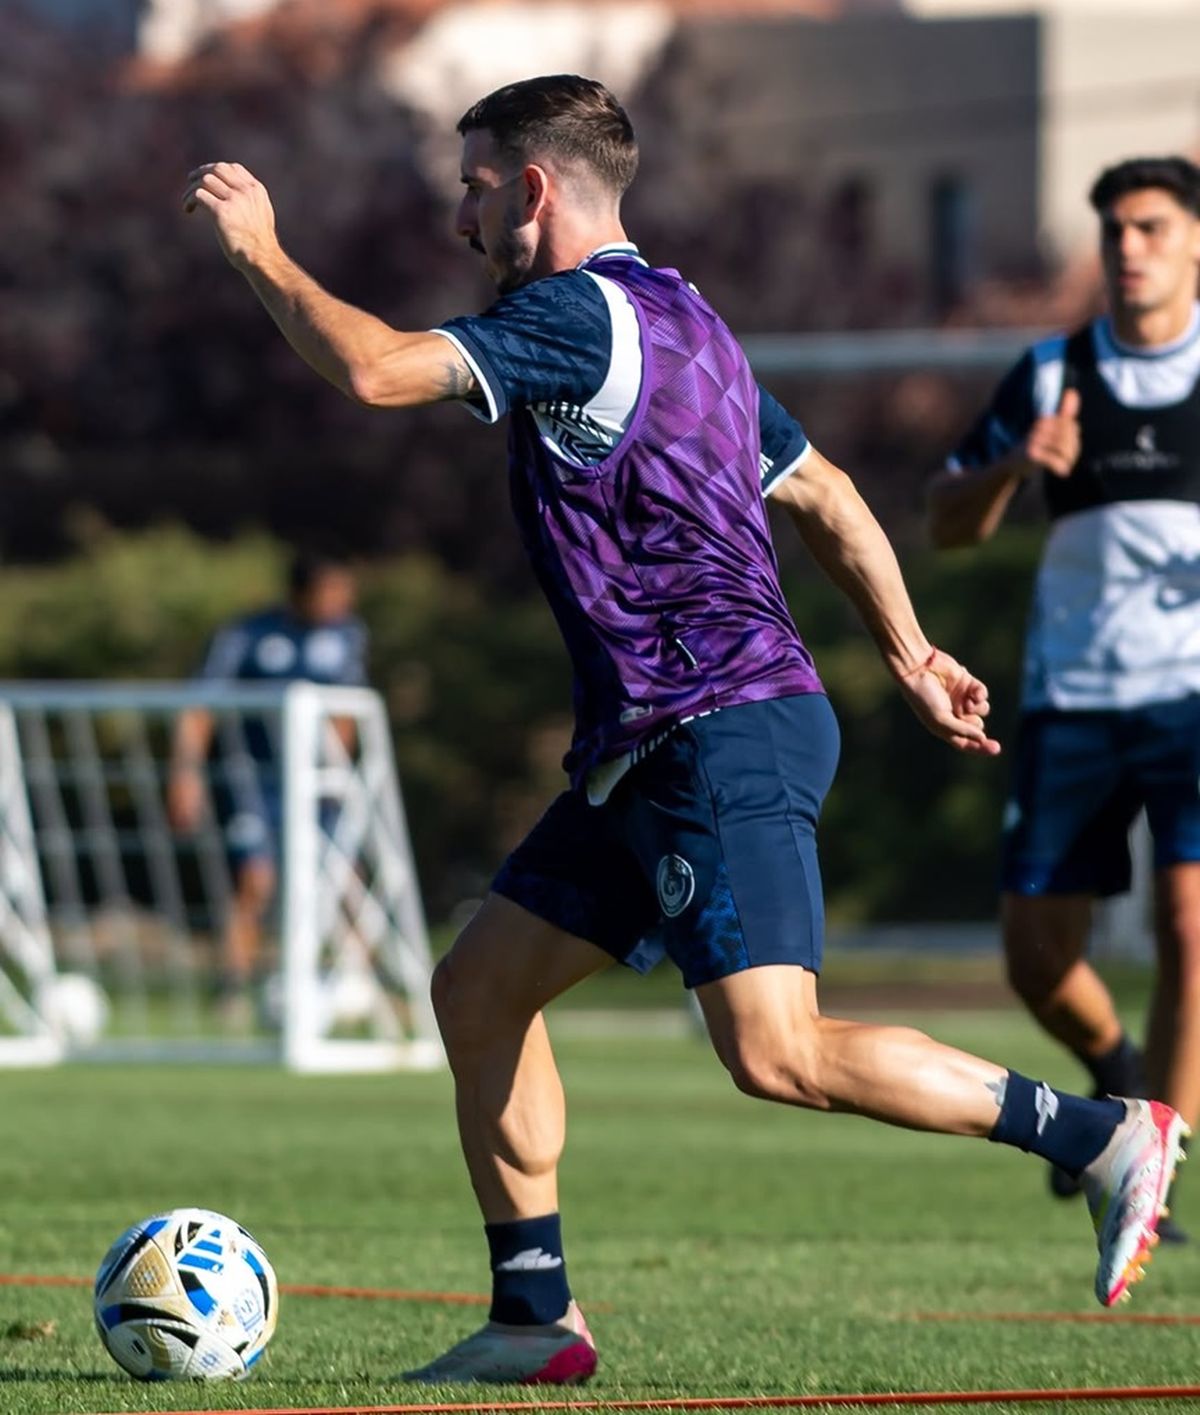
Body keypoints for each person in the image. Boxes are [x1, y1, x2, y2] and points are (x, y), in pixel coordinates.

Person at [183, 79, 1185, 1383]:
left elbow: (374, 366)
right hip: (656, 738)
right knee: (478, 987)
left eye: (477, 184)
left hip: (715, 720)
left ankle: (1100, 1132)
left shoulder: (568, 316)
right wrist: (911, 650)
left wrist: (261, 251)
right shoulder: (691, 323)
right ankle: (534, 1316)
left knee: (776, 1048)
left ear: (536, 189)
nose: (460, 210)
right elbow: (822, 491)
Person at [927, 155, 1200, 1244]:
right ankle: (1117, 1081)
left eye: (1149, 227)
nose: (1128, 248)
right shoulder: (1050, 375)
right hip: (1071, 700)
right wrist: (1015, 469)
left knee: (1190, 924)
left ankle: (1160, 1165)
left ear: (1192, 243)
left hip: (1192, 696)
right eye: (1114, 230)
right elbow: (946, 521)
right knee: (1036, 954)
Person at [167, 549, 367, 1025]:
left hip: (319, 783)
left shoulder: (347, 636)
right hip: (253, 779)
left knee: (346, 877)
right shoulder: (245, 635)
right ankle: (231, 990)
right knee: (256, 880)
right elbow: (199, 707)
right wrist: (185, 773)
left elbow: (346, 713)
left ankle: (360, 986)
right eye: (330, 592)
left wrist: (340, 775)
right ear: (300, 593)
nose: (340, 602)